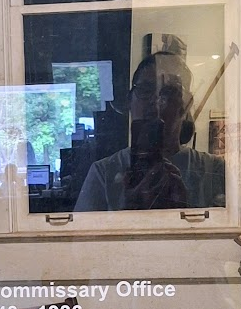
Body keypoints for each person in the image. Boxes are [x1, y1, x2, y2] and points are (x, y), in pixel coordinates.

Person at [74, 50, 225, 212]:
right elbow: (82, 236)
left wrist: (183, 207)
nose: (156, 101)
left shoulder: (214, 170)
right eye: (146, 90)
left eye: (169, 91)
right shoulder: (103, 174)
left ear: (186, 105)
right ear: (130, 101)